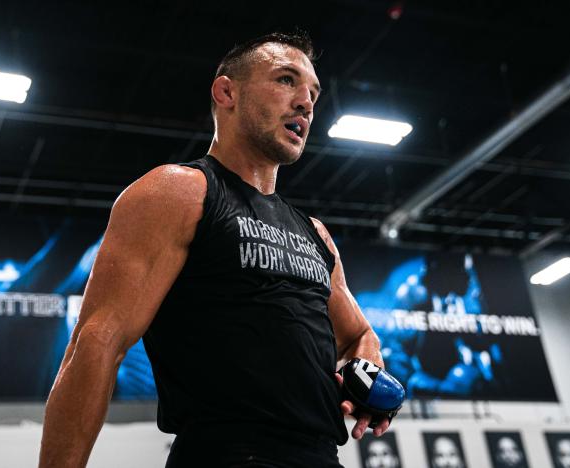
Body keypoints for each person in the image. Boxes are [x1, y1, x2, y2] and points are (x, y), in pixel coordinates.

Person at [38, 31, 389, 468]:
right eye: (286, 80)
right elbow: (96, 344)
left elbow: (360, 335)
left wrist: (366, 375)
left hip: (322, 456)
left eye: (313, 92)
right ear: (227, 92)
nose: (306, 102)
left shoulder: (315, 233)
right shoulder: (178, 192)